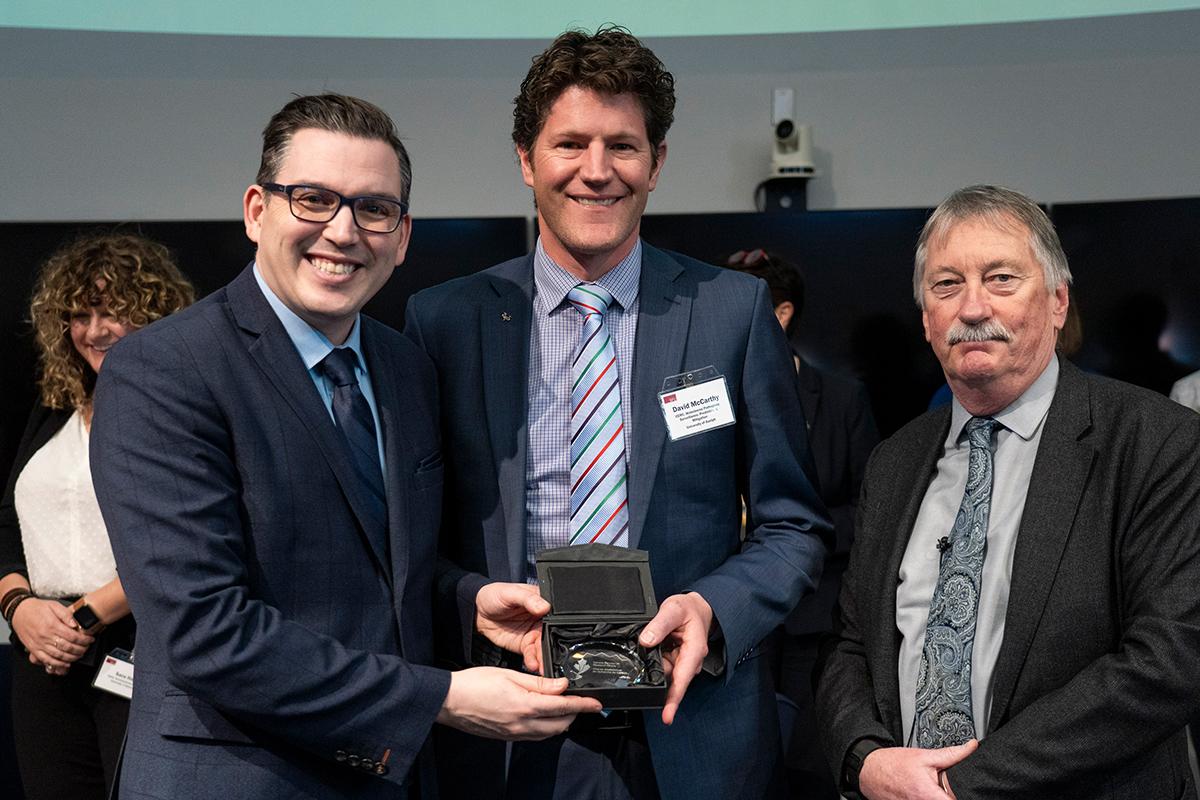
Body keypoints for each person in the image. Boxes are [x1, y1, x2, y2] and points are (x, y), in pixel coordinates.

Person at [89, 93, 600, 800]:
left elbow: (377, 571)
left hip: (391, 775)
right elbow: (205, 633)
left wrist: (466, 601)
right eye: (313, 199)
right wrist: (442, 698)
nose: (343, 230)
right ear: (255, 210)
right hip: (233, 779)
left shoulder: (406, 370)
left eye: (373, 208)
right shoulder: (165, 370)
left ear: (403, 236)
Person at [405, 28, 830, 800]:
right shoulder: (445, 323)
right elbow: (409, 542)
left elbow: (792, 526)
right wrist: (470, 600)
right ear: (526, 160)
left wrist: (713, 608)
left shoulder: (732, 312)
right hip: (508, 733)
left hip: (693, 735)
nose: (596, 172)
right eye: (570, 143)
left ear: (657, 163)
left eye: (623, 146)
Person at [815, 185, 1200, 800]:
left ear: (1056, 302)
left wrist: (956, 785)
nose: (971, 308)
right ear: (925, 320)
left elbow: (1168, 661)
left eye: (1000, 279)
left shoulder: (1158, 442)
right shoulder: (895, 462)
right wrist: (864, 758)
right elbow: (854, 645)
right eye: (946, 286)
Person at [0, 232, 194, 799]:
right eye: (80, 314)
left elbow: (182, 541)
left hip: (139, 645)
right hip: (41, 652)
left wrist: (81, 619)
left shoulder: (184, 404)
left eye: (113, 311)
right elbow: (6, 521)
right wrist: (19, 608)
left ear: (154, 312)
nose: (94, 330)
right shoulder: (54, 405)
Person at [724, 249, 878, 800]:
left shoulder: (841, 398)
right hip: (728, 611)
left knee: (810, 761)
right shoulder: (699, 395)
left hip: (816, 612)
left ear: (782, 314)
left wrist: (794, 532)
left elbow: (870, 508)